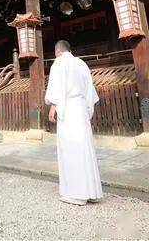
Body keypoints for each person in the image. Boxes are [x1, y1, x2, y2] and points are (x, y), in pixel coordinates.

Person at [45, 40, 103, 205]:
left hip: (68, 108)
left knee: (71, 149)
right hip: (81, 108)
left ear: (58, 51)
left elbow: (56, 87)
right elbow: (89, 90)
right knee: (85, 148)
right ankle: (92, 191)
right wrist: (87, 109)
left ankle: (77, 193)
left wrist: (53, 107)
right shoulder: (81, 63)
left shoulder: (59, 63)